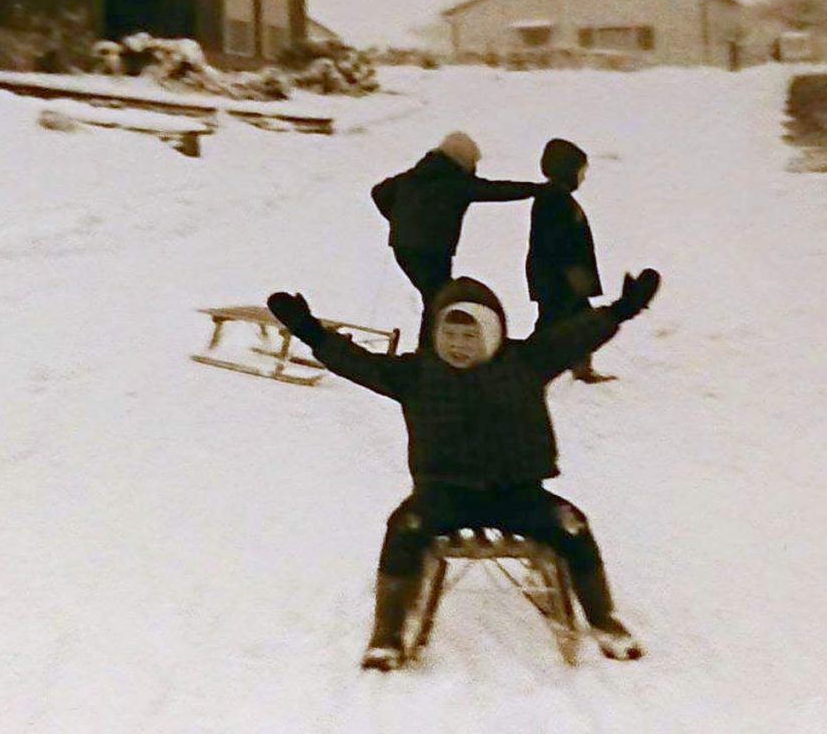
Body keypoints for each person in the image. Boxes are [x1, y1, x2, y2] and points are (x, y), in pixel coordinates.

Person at [267, 266, 661, 672]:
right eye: (449, 334)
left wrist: (622, 309)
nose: (457, 345)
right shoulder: (418, 373)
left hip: (518, 493)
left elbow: (575, 336)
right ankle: (387, 633)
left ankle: (604, 620)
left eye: (469, 336)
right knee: (404, 529)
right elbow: (358, 363)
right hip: (444, 495)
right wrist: (310, 331)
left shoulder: (526, 362)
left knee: (573, 527)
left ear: (491, 333)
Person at [371, 132, 543, 347]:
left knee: (436, 298)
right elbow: (496, 190)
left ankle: (430, 348)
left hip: (403, 247)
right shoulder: (456, 181)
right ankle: (429, 351)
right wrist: (538, 189)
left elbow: (379, 192)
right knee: (439, 299)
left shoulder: (414, 175)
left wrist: (400, 221)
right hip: (432, 251)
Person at [527, 137, 611, 383]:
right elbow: (557, 244)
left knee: (574, 321)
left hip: (560, 279)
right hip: (559, 281)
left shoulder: (555, 197)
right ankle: (526, 368)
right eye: (581, 171)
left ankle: (581, 369)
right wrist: (574, 274)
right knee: (556, 324)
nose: (583, 177)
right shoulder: (555, 200)